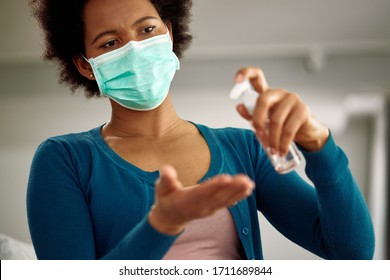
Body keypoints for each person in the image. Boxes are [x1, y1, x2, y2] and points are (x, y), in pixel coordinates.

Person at [26, 0, 375, 260]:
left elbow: (351, 253)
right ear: (86, 66)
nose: (134, 49)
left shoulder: (243, 149)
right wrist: (161, 225)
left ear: (169, 32)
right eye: (110, 43)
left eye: (147, 30)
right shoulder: (65, 160)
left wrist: (320, 146)